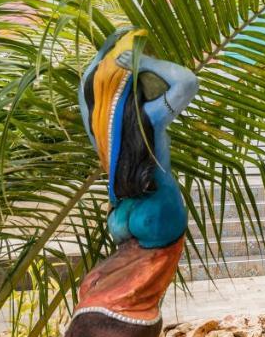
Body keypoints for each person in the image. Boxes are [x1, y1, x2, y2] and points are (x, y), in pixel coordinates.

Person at [79, 27, 199, 250]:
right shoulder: (151, 117)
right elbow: (188, 83)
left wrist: (105, 51)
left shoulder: (97, 125)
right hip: (160, 212)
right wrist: (144, 63)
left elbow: (85, 84)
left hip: (120, 216)